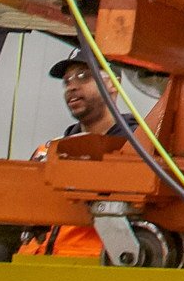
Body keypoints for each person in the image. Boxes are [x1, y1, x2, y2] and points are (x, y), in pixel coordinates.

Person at [16, 55, 129, 260]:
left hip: (92, 271)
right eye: (67, 81)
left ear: (113, 83)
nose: (72, 87)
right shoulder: (48, 150)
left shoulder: (133, 150)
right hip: (33, 266)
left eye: (83, 77)